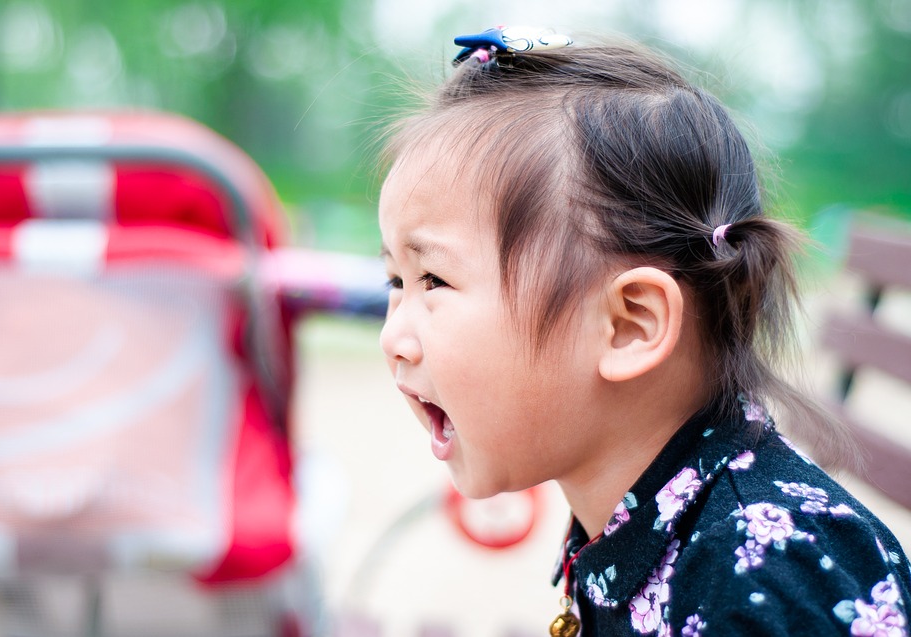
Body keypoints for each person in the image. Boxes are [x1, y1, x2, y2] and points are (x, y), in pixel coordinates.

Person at [376, 26, 911, 636]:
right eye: (396, 281)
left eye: (434, 281)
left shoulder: (766, 585)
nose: (394, 337)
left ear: (630, 325)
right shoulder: (643, 505)